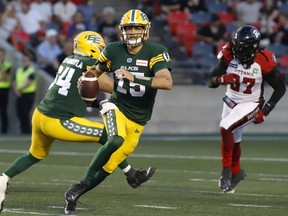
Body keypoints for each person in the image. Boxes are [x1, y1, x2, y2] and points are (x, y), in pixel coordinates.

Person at [0, 31, 156, 213]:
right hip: (58, 120)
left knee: (35, 155)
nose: (101, 52)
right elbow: (110, 86)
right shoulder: (89, 63)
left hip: (40, 115)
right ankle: (130, 176)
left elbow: (80, 93)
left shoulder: (69, 59)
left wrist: (99, 103)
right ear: (91, 47)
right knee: (110, 136)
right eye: (99, 48)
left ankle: (3, 178)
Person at [63, 9, 173, 215]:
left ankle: (74, 194)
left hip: (139, 119)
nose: (132, 33)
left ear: (145, 30)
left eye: (136, 28)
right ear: (122, 30)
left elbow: (166, 82)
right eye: (128, 28)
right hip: (116, 106)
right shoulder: (113, 49)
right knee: (115, 140)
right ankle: (82, 182)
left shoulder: (156, 51)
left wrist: (135, 77)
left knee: (110, 166)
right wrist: (86, 77)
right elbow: (95, 71)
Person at [208, 25, 286, 193]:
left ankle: (226, 173)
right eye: (236, 45)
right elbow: (211, 81)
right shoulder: (228, 55)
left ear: (254, 48)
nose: (237, 49)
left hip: (251, 103)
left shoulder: (263, 61)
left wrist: (265, 111)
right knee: (234, 141)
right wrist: (221, 79)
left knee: (225, 127)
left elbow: (280, 88)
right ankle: (236, 173)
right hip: (230, 102)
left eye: (242, 47)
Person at [12, 55, 38, 134]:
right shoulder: (19, 70)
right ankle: (23, 130)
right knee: (19, 112)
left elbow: (29, 83)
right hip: (19, 94)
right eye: (24, 61)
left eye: (26, 61)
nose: (25, 62)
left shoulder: (32, 71)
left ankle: (27, 131)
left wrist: (19, 89)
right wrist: (16, 91)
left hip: (28, 94)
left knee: (26, 112)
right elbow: (14, 81)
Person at [0, 48, 12, 134]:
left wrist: (1, 67)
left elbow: (4, 78)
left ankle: (4, 130)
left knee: (3, 109)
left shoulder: (7, 65)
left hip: (4, 89)